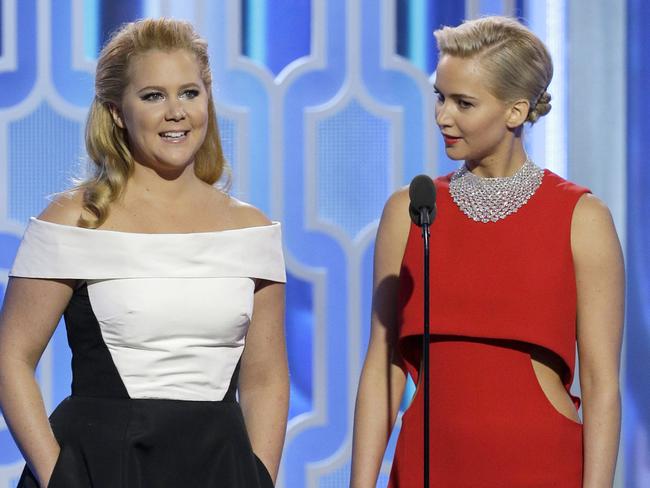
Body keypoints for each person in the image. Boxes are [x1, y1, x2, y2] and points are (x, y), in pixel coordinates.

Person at [0, 18, 288, 488]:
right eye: (153, 95)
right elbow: (11, 358)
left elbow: (266, 378)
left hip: (221, 470)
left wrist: (258, 476)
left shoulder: (250, 230)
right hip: (101, 469)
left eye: (189, 93)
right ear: (117, 111)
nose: (176, 112)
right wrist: (60, 476)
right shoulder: (74, 221)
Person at [351, 16, 623, 487]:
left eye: (463, 103)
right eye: (440, 96)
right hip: (427, 465)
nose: (442, 116)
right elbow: (382, 367)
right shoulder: (410, 212)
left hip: (540, 466)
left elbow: (602, 386)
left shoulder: (582, 218)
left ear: (515, 112)